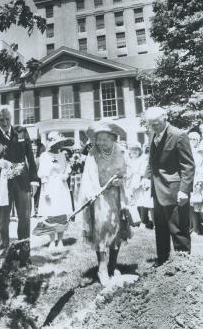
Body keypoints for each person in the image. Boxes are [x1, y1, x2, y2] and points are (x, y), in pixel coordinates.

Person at [0, 105, 39, 265]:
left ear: (11, 118)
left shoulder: (21, 132)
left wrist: (34, 179)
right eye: (1, 119)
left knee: (24, 218)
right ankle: (3, 254)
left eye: (7, 119)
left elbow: (30, 158)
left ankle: (24, 255)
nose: (5, 122)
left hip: (22, 181)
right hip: (2, 182)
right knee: (3, 219)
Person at [79, 121, 127, 286]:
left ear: (113, 138)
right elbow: (89, 176)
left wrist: (121, 181)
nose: (100, 142)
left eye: (104, 139)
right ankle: (102, 268)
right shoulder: (93, 153)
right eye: (98, 139)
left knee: (117, 229)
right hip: (99, 197)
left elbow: (127, 173)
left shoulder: (121, 151)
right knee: (102, 229)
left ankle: (113, 266)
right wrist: (96, 190)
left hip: (117, 197)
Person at [144, 107, 195, 266]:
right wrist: (147, 177)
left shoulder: (179, 135)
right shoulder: (152, 134)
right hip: (157, 190)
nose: (154, 126)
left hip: (175, 191)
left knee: (179, 229)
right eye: (151, 124)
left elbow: (188, 166)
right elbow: (151, 160)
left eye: (157, 123)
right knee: (160, 228)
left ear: (165, 117)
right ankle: (163, 262)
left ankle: (183, 266)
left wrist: (184, 190)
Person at [38, 132, 73, 251]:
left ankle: (60, 240)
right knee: (51, 214)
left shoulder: (62, 155)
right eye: (58, 143)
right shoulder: (45, 156)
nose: (60, 145)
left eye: (61, 143)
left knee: (61, 214)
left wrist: (66, 175)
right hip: (50, 186)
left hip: (61, 187)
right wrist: (46, 190)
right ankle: (52, 241)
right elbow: (43, 174)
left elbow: (67, 168)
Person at [127, 143, 153, 229]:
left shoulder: (143, 159)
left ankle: (144, 221)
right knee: (135, 202)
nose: (134, 152)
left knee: (142, 202)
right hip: (131, 181)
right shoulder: (130, 160)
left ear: (139, 151)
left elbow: (143, 172)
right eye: (132, 150)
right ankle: (137, 220)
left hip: (140, 181)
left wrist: (138, 183)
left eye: (136, 150)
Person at [191, 141, 203, 233]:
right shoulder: (201, 162)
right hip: (201, 189)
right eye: (201, 151)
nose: (202, 153)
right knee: (202, 210)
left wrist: (202, 180)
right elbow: (197, 175)